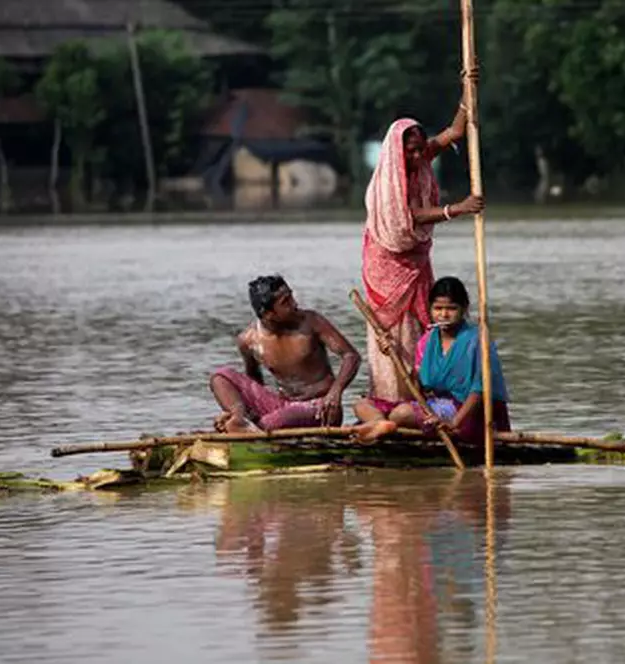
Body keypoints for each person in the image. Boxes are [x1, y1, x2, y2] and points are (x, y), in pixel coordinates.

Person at [362, 64, 484, 409]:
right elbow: (407, 216)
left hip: (416, 263)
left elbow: (453, 133)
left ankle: (422, 400)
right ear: (397, 151)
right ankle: (390, 402)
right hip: (388, 269)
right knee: (393, 338)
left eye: (419, 149)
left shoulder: (422, 156)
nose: (416, 156)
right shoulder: (389, 177)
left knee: (421, 327)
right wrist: (456, 209)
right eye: (410, 151)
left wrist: (467, 90)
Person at [352, 276, 511, 443]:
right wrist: (392, 355)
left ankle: (380, 425)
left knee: (402, 414)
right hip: (434, 404)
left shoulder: (477, 339)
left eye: (451, 309)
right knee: (362, 405)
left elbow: (479, 390)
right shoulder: (427, 341)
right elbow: (416, 389)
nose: (443, 314)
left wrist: (454, 423)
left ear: (464, 309)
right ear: (430, 309)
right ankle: (379, 424)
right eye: (438, 308)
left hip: (467, 412)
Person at [210, 275, 361, 433]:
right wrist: (244, 412)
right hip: (282, 405)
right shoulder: (248, 340)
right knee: (221, 377)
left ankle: (253, 429)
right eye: (285, 302)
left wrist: (335, 392)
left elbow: (351, 356)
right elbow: (254, 381)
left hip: (320, 408)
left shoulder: (311, 322)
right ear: (268, 314)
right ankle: (240, 420)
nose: (294, 304)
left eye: (291, 297)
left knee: (277, 420)